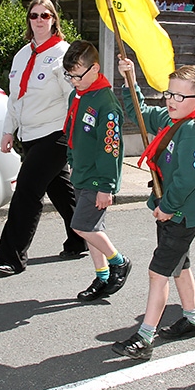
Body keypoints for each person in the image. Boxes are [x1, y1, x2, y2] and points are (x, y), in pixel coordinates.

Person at [111, 58, 195, 360]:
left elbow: (190, 178)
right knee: (180, 266)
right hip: (172, 210)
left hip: (180, 214)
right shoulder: (171, 119)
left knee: (158, 273)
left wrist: (167, 206)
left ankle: (145, 337)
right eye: (169, 93)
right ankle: (192, 320)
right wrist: (130, 80)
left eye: (181, 96)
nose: (172, 100)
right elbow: (139, 113)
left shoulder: (192, 130)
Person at [0, 0, 87, 276]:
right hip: (30, 135)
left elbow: (73, 97)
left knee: (27, 191)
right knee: (60, 188)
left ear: (54, 19)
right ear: (29, 20)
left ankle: (12, 256)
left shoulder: (64, 54)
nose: (39, 20)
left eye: (45, 15)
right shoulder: (22, 55)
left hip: (57, 134)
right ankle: (81, 237)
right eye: (34, 15)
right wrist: (8, 130)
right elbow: (15, 98)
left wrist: (78, 135)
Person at [62, 40, 131, 301]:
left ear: (95, 69)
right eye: (69, 76)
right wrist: (70, 158)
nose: (73, 81)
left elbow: (110, 148)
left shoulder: (106, 103)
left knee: (81, 226)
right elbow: (71, 132)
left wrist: (106, 186)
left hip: (97, 179)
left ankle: (119, 262)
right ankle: (102, 276)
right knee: (93, 229)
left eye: (77, 75)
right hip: (80, 172)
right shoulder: (77, 95)